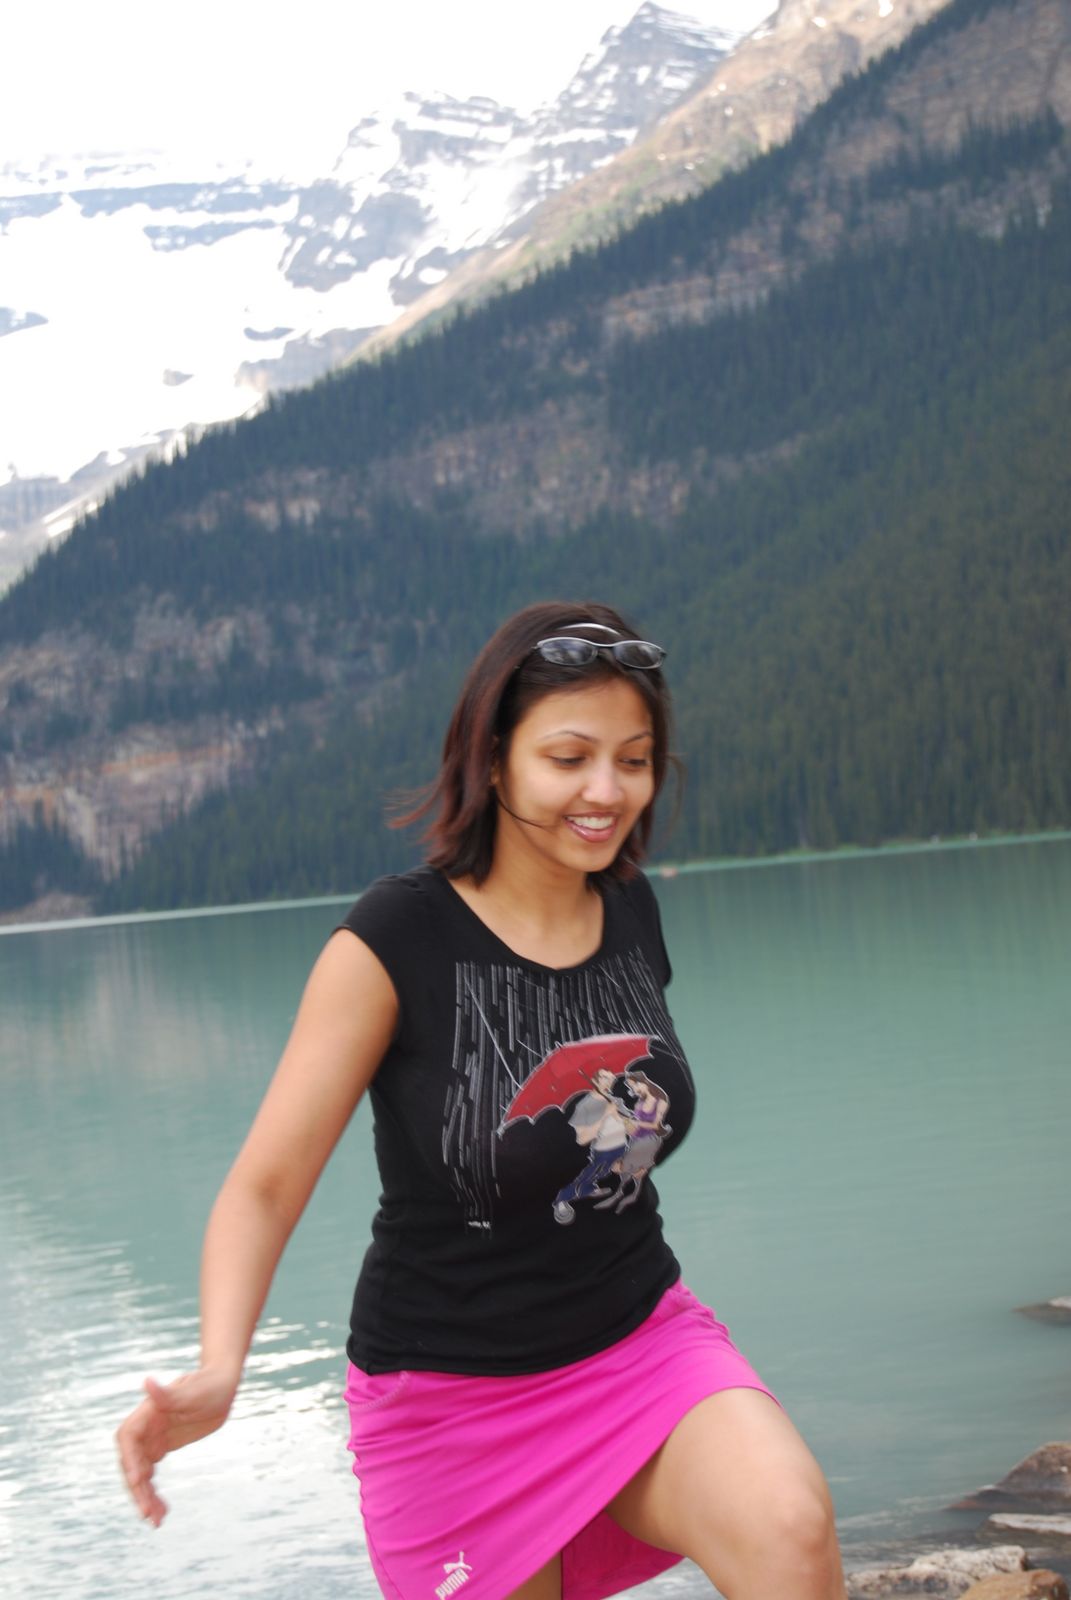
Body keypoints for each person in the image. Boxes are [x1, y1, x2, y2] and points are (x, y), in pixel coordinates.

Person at [117, 600, 847, 1600]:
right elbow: (265, 1185)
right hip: (450, 1398)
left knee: (790, 1526)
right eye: (569, 757)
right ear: (494, 761)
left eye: (634, 760)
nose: (606, 791)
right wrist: (219, 1364)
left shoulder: (630, 909)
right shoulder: (393, 940)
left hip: (641, 1343)